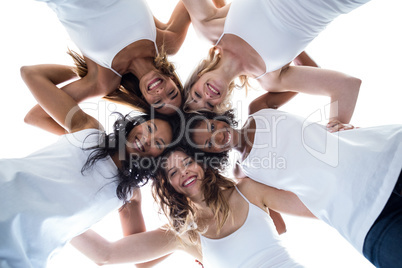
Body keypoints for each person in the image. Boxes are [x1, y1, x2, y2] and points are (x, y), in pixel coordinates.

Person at [184, 95, 402, 267]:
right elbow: (277, 225)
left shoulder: (260, 107)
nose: (218, 136)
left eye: (212, 128)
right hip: (363, 221)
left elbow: (312, 72)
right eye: (209, 143)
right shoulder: (243, 174)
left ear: (217, 118)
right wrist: (212, 255)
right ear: (211, 154)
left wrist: (337, 123)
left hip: (388, 158)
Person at [0, 63, 179, 268]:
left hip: (18, 257)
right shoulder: (89, 131)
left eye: (158, 143)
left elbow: (140, 261)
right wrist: (92, 81)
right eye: (150, 128)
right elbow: (31, 76)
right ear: (137, 123)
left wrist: (184, 235)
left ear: (157, 159)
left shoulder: (129, 193)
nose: (147, 139)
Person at [70, 148, 315, 267]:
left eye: (188, 162)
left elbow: (313, 206)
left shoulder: (247, 190)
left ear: (203, 164)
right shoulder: (184, 234)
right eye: (174, 172)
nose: (184, 171)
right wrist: (54, 215)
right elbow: (105, 254)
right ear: (170, 187)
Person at [182, 0, 369, 127]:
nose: (206, 95)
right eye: (209, 105)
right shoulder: (271, 79)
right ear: (221, 104)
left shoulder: (210, 28)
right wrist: (337, 129)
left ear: (197, 78)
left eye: (197, 94)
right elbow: (347, 86)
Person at [25, 0, 192, 135]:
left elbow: (36, 116)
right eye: (172, 93)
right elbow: (196, 6)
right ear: (174, 81)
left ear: (145, 102)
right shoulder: (167, 44)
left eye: (158, 102)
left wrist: (84, 139)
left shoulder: (103, 80)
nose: (160, 92)